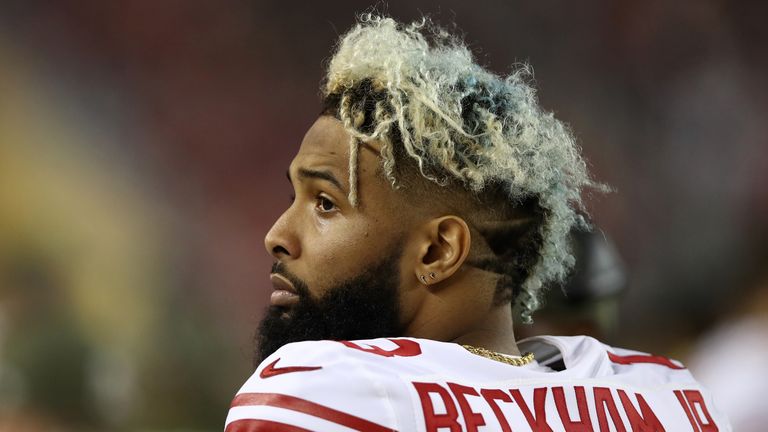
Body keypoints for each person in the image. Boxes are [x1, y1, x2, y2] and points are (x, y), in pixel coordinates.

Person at [224, 15, 730, 431]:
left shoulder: (320, 394)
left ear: (439, 251)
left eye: (326, 203)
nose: (278, 236)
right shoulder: (671, 398)